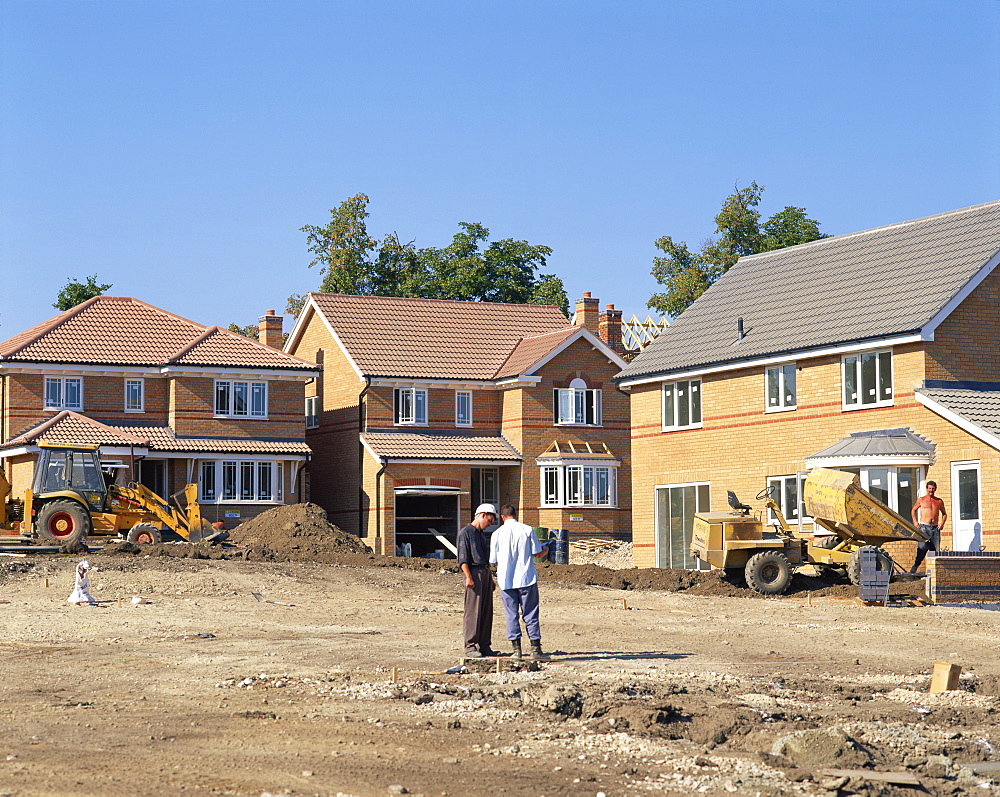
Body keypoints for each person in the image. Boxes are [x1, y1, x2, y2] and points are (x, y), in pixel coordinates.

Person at [490, 505, 550, 661]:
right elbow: (537, 553)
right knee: (530, 614)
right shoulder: (527, 530)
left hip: (506, 580)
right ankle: (535, 648)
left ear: (502, 517)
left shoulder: (497, 534)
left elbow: (492, 560)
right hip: (526, 578)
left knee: (511, 615)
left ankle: (516, 650)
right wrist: (546, 550)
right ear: (515, 515)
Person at [457, 503, 498, 658]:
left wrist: (491, 578)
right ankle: (470, 646)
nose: (490, 524)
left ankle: (484, 646)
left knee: (486, 612)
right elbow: (463, 558)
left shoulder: (481, 534)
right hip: (474, 573)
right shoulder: (465, 533)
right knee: (473, 612)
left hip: (485, 573)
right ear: (482, 515)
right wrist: (468, 576)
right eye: (489, 520)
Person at [910, 480, 947, 574]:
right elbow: (913, 510)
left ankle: (934, 572)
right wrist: (915, 522)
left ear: (935, 489)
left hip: (935, 529)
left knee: (935, 551)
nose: (931, 490)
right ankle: (915, 566)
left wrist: (942, 523)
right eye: (930, 488)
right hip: (924, 528)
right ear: (927, 489)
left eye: (933, 488)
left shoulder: (939, 501)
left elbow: (944, 514)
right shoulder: (921, 500)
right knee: (922, 548)